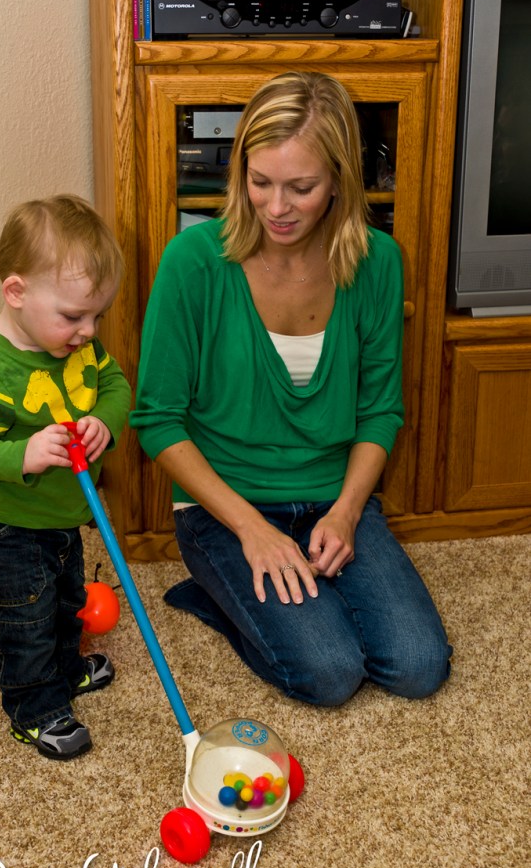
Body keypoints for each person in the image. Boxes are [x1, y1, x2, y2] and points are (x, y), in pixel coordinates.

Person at [130, 72, 452, 707]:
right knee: (330, 675)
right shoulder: (192, 262)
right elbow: (157, 420)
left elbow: (380, 409)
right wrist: (252, 529)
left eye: (301, 188)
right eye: (260, 182)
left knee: (418, 668)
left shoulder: (378, 262)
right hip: (225, 509)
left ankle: (282, 585)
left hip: (332, 500)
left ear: (338, 181)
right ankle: (217, 591)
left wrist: (348, 512)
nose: (276, 207)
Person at [0, 194, 131, 758]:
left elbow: (116, 384)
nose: (87, 330)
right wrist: (22, 454)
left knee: (67, 600)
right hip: (1, 528)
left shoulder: (79, 347)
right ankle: (34, 709)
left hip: (59, 518)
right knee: (25, 620)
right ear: (17, 293)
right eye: (73, 316)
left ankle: (66, 670)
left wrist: (105, 421)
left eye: (97, 315)